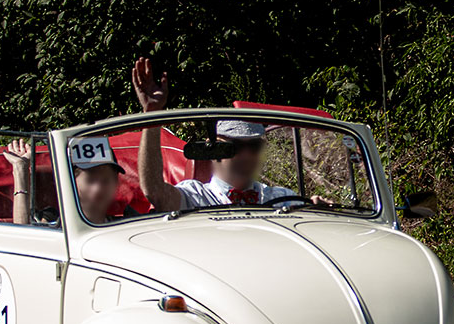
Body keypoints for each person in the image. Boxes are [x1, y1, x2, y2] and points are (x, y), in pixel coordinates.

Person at [130, 57, 324, 212]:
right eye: (235, 147)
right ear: (214, 149)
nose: (246, 155)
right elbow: (154, 191)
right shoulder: (196, 196)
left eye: (254, 146)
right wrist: (152, 114)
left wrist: (318, 211)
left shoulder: (280, 198)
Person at [3, 136, 127, 224]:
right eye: (90, 180)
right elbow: (24, 236)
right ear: (73, 182)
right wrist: (21, 168)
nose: (98, 188)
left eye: (106, 180)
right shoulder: (54, 220)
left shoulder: (126, 222)